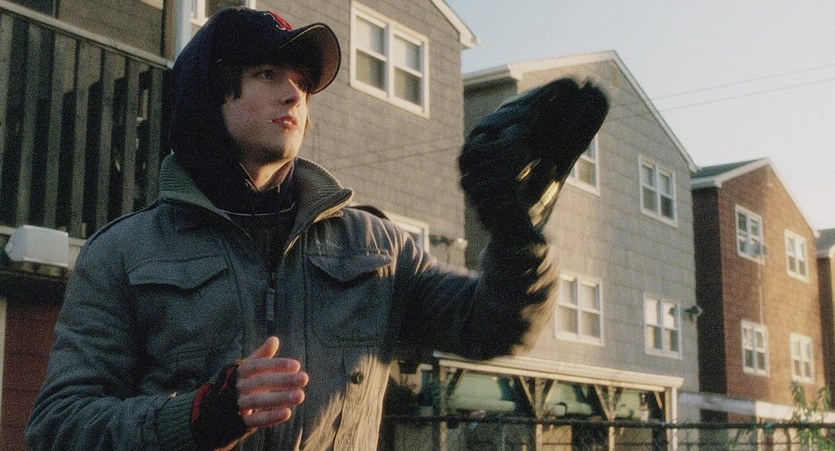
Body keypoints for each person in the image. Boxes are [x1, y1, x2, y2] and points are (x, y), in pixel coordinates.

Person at [25, 6, 607, 451]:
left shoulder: (378, 246)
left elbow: (493, 326)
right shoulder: (123, 253)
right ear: (210, 93)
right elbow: (59, 426)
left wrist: (516, 235)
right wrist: (201, 415)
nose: (294, 94)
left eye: (303, 82)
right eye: (267, 73)